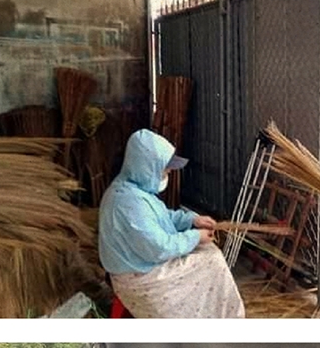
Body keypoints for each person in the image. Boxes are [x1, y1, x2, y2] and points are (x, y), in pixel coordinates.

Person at [99, 129, 244, 319]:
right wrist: (195, 236)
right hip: (140, 278)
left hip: (140, 264)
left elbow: (163, 218)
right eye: (164, 168)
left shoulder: (132, 188)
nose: (167, 172)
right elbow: (159, 247)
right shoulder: (129, 204)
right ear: (146, 167)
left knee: (208, 253)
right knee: (212, 260)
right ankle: (220, 317)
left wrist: (192, 219)